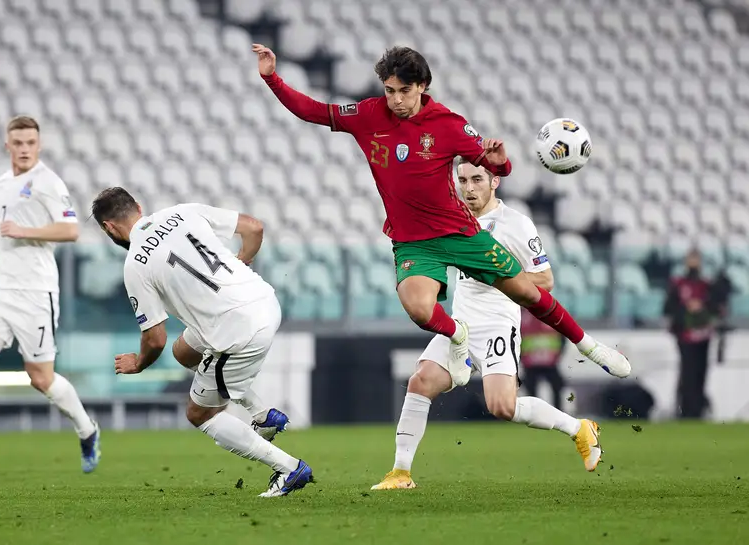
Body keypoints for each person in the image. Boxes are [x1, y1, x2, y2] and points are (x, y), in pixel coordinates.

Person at [253, 44, 631, 387]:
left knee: (528, 294)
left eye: (404, 90)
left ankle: (590, 346)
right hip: (413, 240)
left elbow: (497, 166)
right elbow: (313, 111)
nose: (396, 100)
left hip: (461, 234)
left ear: (422, 86)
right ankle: (458, 336)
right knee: (419, 310)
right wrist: (272, 77)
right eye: (389, 90)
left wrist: (501, 162)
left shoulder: (448, 124)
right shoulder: (368, 115)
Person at [372, 162, 601, 490]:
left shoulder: (516, 224)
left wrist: (494, 276)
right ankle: (401, 472)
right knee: (421, 381)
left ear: (495, 180)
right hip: (460, 325)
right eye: (462, 180)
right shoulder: (453, 220)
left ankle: (579, 429)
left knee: (502, 406)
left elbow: (545, 281)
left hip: (497, 325)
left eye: (477, 179)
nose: (469, 188)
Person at [91, 187, 312, 497]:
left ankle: (289, 468)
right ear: (139, 207)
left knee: (200, 413)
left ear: (109, 228)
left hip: (237, 331)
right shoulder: (182, 211)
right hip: (263, 299)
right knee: (183, 352)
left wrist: (138, 363)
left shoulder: (135, 265)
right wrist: (242, 260)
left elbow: (154, 339)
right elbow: (254, 227)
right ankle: (263, 415)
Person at [0, 116, 100, 473]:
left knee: (40, 378)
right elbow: (7, 231)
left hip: (34, 292)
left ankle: (87, 430)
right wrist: (0, 252)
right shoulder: (3, 182)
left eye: (30, 143)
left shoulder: (48, 182)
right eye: (18, 143)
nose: (25, 149)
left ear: (38, 146)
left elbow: (71, 229)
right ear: (7, 145)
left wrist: (24, 232)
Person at [664, 249, 729, 419]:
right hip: (685, 336)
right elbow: (669, 308)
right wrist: (685, 310)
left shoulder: (706, 285)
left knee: (701, 372)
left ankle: (697, 410)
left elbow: (718, 305)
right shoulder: (679, 284)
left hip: (703, 336)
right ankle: (685, 410)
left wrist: (703, 306)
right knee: (687, 373)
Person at [519, 308, 568, 411]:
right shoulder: (523, 316)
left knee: (556, 387)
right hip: (532, 363)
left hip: (547, 362)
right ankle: (535, 413)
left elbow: (562, 338)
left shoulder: (524, 316)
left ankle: (556, 412)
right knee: (531, 389)